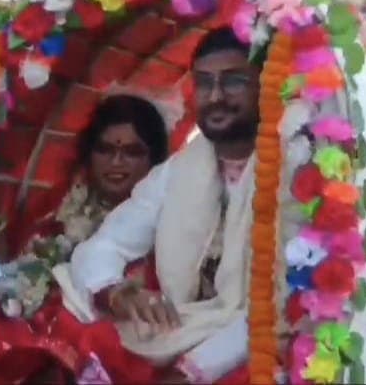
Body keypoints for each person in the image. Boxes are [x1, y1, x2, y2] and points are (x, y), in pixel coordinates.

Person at [57, 27, 268, 384]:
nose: (215, 96)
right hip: (185, 329)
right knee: (74, 318)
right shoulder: (177, 171)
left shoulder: (294, 169)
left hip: (256, 343)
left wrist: (192, 371)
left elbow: (283, 306)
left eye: (233, 82)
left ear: (264, 85)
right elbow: (105, 244)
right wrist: (118, 292)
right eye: (204, 83)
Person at [0, 93, 171, 384]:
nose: (116, 162)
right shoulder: (62, 201)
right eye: (105, 150)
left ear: (154, 160)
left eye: (132, 152)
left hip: (99, 339)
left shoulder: (161, 226)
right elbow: (18, 260)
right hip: (24, 314)